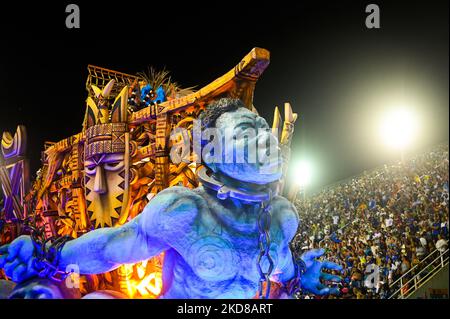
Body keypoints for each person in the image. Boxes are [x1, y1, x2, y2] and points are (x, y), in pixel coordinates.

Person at [0, 98, 342, 299]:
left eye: (262, 127)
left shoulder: (282, 217)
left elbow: (280, 267)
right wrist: (49, 256)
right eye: (245, 132)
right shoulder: (183, 211)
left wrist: (300, 275)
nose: (265, 138)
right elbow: (113, 246)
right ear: (212, 154)